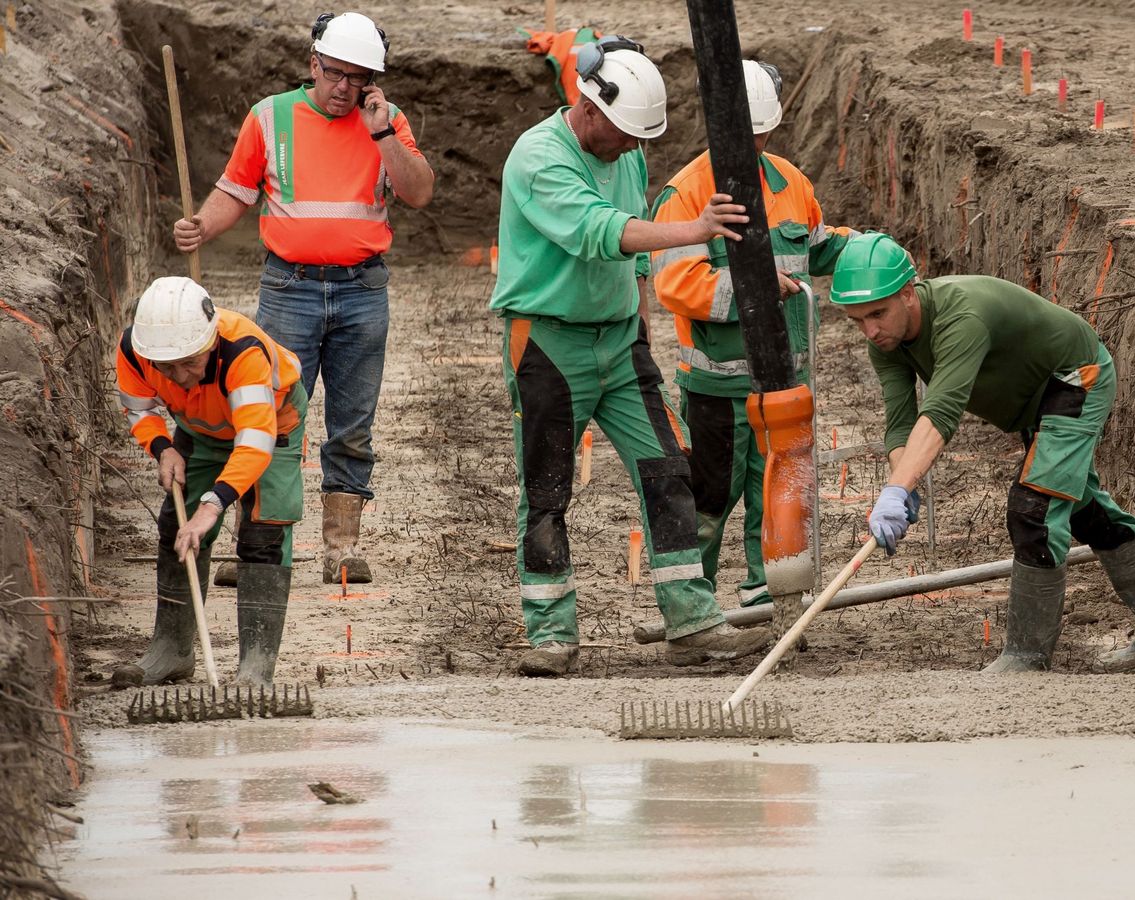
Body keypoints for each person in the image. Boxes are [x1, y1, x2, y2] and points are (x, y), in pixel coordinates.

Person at [490, 36, 769, 676]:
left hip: (619, 342)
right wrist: (698, 229)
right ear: (588, 108)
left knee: (668, 469)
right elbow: (601, 233)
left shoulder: (627, 151)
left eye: (642, 139)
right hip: (548, 343)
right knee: (547, 488)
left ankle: (692, 622)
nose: (633, 149)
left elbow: (634, 244)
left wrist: (639, 319)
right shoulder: (539, 157)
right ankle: (552, 636)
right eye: (624, 135)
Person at [830, 233, 1135, 674]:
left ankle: (1026, 657)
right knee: (1081, 510)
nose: (870, 331)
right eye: (857, 321)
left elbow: (941, 412)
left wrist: (896, 487)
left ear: (908, 293)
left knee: (1035, 510)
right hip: (1035, 401)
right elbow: (900, 422)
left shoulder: (959, 316)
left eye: (877, 314)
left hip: (1074, 377)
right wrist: (902, 488)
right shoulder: (887, 342)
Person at [172, 12, 433, 588]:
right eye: (335, 73)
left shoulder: (386, 122)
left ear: (372, 80)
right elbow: (235, 190)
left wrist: (384, 132)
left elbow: (417, 192)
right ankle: (260, 547)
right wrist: (201, 228)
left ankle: (340, 550)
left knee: (352, 425)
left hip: (362, 289)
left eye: (357, 78)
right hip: (289, 288)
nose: (344, 87)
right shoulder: (270, 117)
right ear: (312, 63)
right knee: (271, 414)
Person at [650, 60, 854, 623]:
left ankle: (771, 603)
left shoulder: (790, 183)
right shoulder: (687, 194)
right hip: (718, 389)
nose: (755, 144)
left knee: (778, 502)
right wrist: (757, 291)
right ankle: (695, 613)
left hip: (784, 385)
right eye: (747, 135)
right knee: (710, 503)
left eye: (763, 134)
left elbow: (813, 243)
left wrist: (858, 249)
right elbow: (678, 283)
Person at [110, 277, 306, 687]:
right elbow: (139, 409)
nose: (180, 376)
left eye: (190, 363)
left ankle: (256, 666)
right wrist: (162, 447)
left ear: (209, 342)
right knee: (175, 528)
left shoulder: (243, 353)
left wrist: (213, 505)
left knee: (262, 534)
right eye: (168, 367)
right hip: (199, 430)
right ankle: (172, 649)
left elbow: (253, 443)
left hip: (270, 427)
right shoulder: (135, 349)